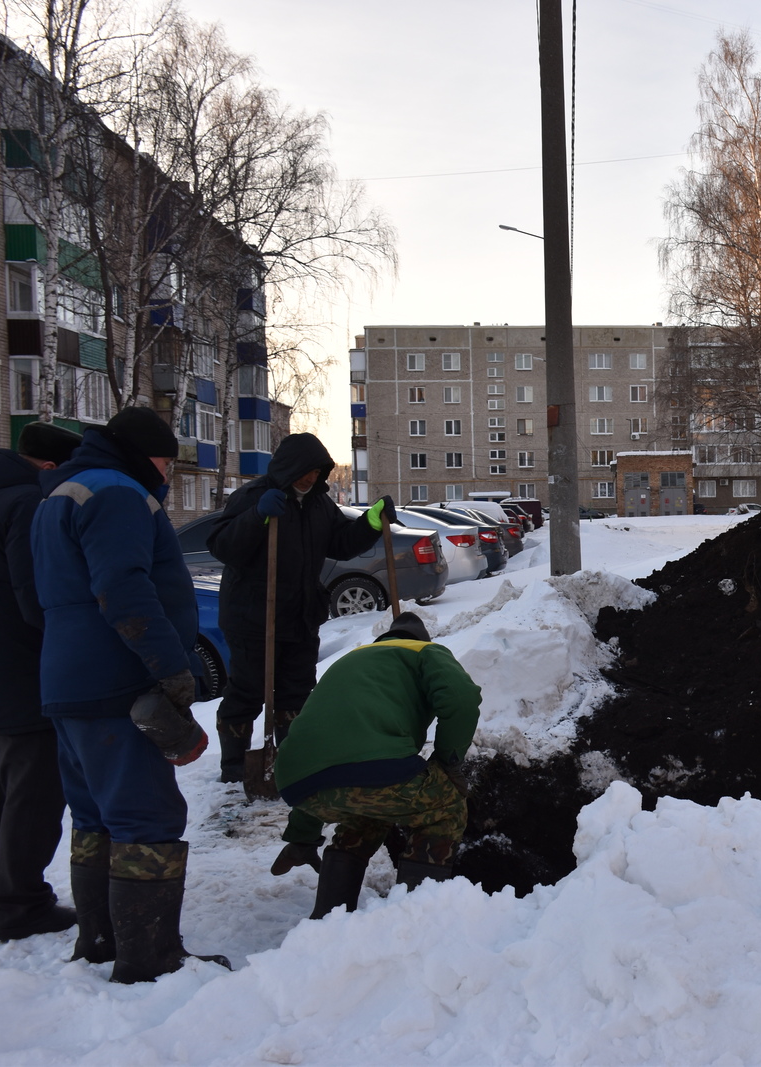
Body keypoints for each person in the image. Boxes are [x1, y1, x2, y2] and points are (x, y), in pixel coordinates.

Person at [31, 407, 227, 982]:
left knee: (95, 816)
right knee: (146, 814)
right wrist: (170, 668)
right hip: (116, 681)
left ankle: (100, 940)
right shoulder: (117, 494)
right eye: (166, 461)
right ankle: (148, 958)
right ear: (146, 455)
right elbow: (123, 588)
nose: (167, 475)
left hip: (67, 681)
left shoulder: (60, 495)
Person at [206, 433, 393, 782]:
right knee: (247, 691)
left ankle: (289, 758)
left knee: (296, 691)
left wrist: (368, 523)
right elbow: (222, 546)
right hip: (253, 618)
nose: (310, 479)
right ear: (289, 468)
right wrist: (258, 517)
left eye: (317, 472)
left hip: (301, 617)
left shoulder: (320, 504)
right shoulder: (253, 497)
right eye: (305, 472)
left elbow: (340, 542)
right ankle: (234, 766)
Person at [269, 612, 480, 919]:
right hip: (377, 769)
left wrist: (302, 837)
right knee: (445, 806)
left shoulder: (349, 661)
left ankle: (328, 922)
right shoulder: (425, 652)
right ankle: (415, 922)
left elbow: (327, 755)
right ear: (421, 640)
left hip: (294, 779)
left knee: (364, 812)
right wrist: (448, 761)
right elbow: (462, 698)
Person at [0, 423, 82, 942]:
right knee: (33, 792)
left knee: (5, 788)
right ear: (50, 469)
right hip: (22, 671)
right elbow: (38, 598)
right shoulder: (28, 504)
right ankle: (18, 904)